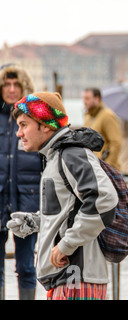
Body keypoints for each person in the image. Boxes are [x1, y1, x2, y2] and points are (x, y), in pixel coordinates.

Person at [8, 92, 118, 300]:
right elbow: (69, 211)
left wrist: (66, 245)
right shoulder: (57, 156)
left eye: (24, 125)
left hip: (76, 279)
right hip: (69, 278)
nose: (18, 133)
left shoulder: (70, 154)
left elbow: (104, 200)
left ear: (46, 125)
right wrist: (35, 222)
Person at [0, 64, 40, 300]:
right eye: (7, 84)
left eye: (16, 84)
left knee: (26, 267)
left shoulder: (34, 118)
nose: (12, 89)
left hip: (27, 202)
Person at [83, 87, 123, 171]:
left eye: (87, 98)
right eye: (83, 98)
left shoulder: (107, 116)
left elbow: (116, 143)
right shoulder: (88, 117)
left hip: (105, 169)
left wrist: (107, 166)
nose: (85, 102)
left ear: (97, 99)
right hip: (93, 167)